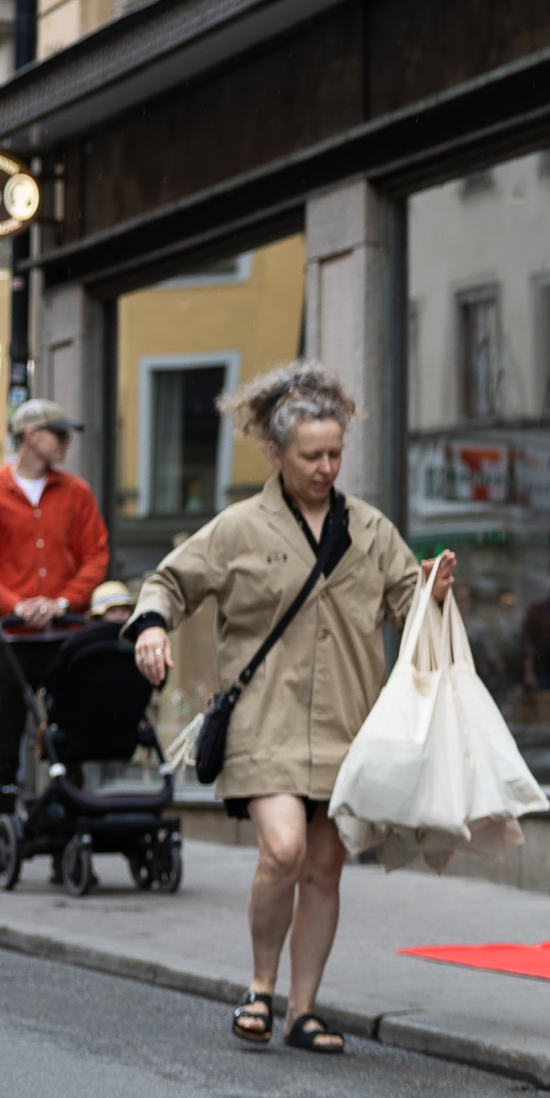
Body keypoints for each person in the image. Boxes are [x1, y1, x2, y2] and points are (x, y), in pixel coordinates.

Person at [130, 363, 451, 1055]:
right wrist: (153, 626)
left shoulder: (369, 530)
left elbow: (412, 617)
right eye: (312, 455)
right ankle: (259, 985)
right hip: (264, 721)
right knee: (284, 848)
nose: (326, 467)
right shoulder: (239, 528)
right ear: (276, 454)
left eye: (335, 453)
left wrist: (434, 595)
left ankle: (304, 1011)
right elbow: (169, 581)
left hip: (348, 725)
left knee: (324, 869)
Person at [0, 397, 109, 824]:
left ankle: (68, 836)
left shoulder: (76, 493)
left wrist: (62, 602)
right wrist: (15, 605)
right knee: (3, 744)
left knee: (69, 739)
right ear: (29, 436)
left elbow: (95, 556)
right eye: (57, 434)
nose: (66, 442)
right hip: (7, 639)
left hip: (64, 637)